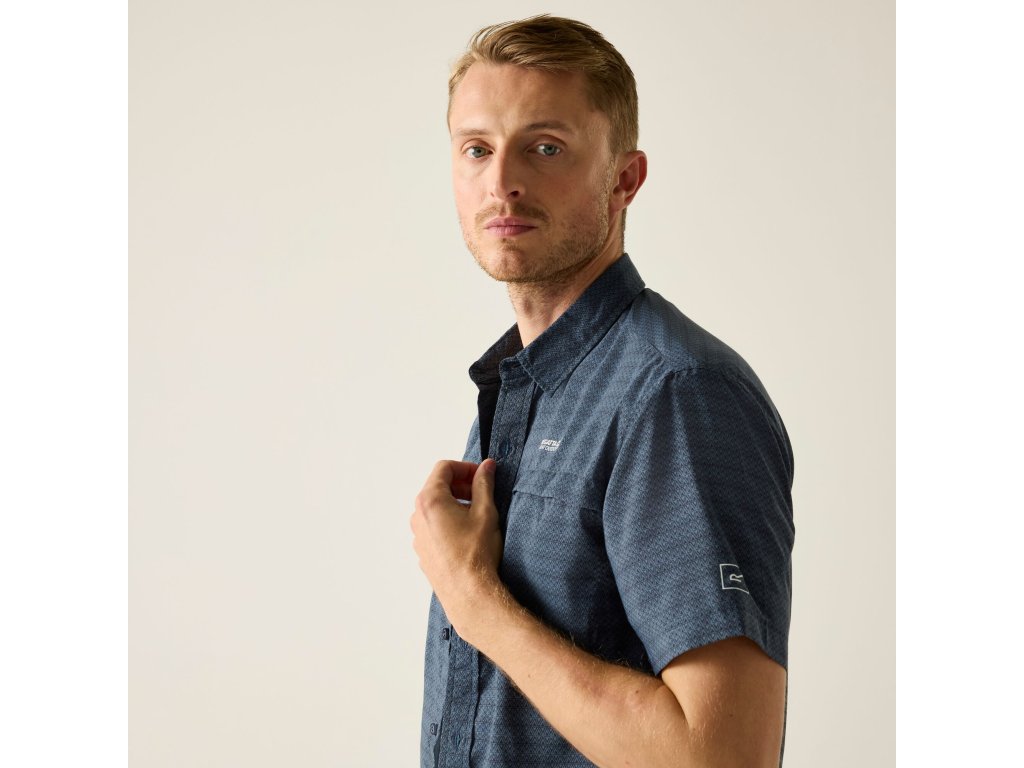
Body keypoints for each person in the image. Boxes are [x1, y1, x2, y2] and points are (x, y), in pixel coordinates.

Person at [410, 15, 795, 768]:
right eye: (476, 149)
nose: (502, 181)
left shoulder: (676, 394)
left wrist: (474, 600)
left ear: (625, 178)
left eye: (545, 147)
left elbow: (722, 755)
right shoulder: (526, 385)